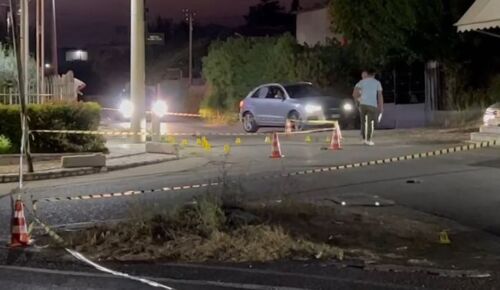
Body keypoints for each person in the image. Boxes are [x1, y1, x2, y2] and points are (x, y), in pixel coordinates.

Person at [352, 69, 384, 146]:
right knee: (370, 123)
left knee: (363, 122)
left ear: (367, 74)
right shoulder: (377, 83)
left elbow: (354, 94)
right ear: (373, 75)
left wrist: (358, 102)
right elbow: (380, 96)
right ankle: (369, 140)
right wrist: (381, 106)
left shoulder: (361, 82)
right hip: (372, 105)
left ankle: (363, 139)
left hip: (363, 105)